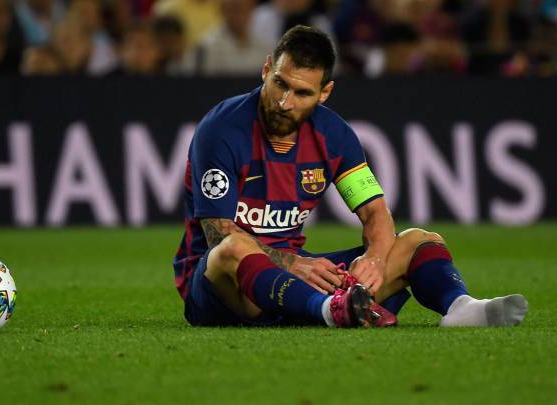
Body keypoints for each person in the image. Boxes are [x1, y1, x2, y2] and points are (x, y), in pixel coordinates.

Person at [172, 25, 528, 328]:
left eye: (302, 93)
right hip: (223, 292)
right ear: (266, 70)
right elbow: (217, 233)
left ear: (324, 93)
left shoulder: (334, 135)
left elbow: (375, 212)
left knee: (418, 240)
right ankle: (332, 309)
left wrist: (375, 258)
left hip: (298, 280)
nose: (285, 102)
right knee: (233, 248)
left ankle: (459, 307)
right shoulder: (222, 129)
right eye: (280, 84)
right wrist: (293, 263)